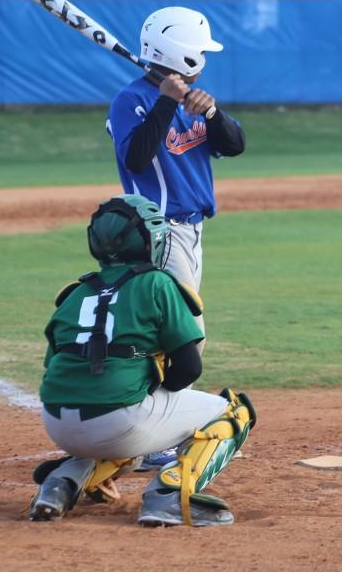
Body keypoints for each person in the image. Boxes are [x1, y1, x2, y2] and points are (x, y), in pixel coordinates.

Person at [28, 194, 255, 527]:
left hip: (56, 422)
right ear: (152, 241)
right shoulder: (157, 283)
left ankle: (62, 482)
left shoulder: (76, 292)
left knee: (120, 416)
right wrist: (152, 387)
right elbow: (190, 368)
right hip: (118, 422)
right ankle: (168, 497)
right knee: (234, 412)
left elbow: (56, 366)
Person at [106, 5, 246, 342]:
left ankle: (159, 392)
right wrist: (166, 103)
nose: (203, 58)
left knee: (171, 327)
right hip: (160, 230)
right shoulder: (131, 99)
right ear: (183, 55)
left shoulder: (193, 101)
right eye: (199, 51)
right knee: (186, 332)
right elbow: (136, 159)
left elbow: (235, 144)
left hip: (193, 230)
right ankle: (170, 396)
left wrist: (212, 113)